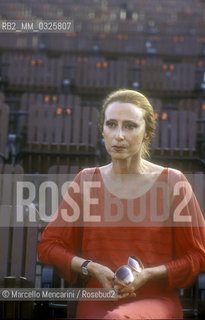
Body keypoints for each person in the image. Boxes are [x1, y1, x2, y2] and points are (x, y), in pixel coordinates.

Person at [38, 89, 205, 319]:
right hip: (98, 296)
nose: (118, 135)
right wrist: (92, 268)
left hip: (155, 298)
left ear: (147, 133)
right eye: (111, 124)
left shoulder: (173, 183)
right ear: (102, 130)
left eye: (130, 126)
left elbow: (198, 254)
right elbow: (48, 246)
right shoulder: (86, 181)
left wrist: (150, 275)